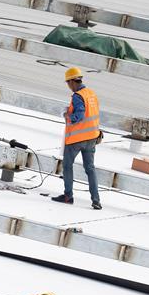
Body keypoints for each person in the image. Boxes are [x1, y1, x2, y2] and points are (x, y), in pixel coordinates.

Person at [52, 67, 102, 210]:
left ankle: (68, 196)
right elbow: (92, 113)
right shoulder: (91, 94)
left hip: (76, 139)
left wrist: (67, 115)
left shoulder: (77, 96)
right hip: (92, 137)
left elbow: (79, 116)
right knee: (90, 169)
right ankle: (96, 200)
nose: (68, 86)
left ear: (72, 82)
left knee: (67, 166)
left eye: (68, 83)